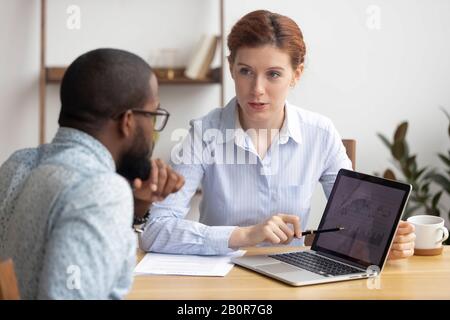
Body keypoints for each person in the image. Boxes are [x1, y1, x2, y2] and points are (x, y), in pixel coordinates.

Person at [139, 10, 415, 259]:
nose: (257, 89)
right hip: (222, 280)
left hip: (293, 276)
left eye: (273, 74)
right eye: (245, 71)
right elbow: (156, 230)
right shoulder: (203, 133)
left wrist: (385, 241)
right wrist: (244, 235)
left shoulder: (320, 134)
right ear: (231, 67)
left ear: (296, 74)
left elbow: (355, 226)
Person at [0, 48, 184, 299]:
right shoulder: (101, 190)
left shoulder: (18, 165)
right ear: (127, 121)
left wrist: (136, 206)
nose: (153, 130)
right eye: (152, 116)